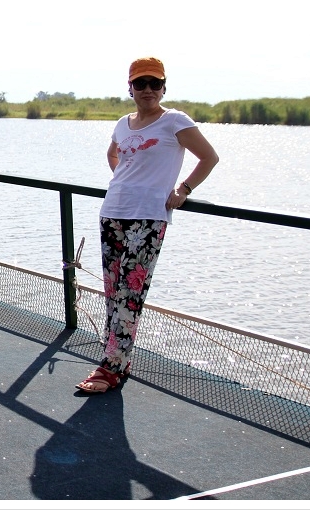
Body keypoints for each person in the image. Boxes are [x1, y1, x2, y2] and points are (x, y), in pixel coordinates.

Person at [76, 57, 219, 393]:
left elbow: (209, 157)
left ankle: (111, 368)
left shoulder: (175, 121)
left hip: (149, 216)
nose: (148, 90)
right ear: (130, 88)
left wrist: (184, 189)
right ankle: (117, 358)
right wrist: (126, 181)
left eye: (155, 83)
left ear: (164, 87)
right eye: (140, 83)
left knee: (131, 291)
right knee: (113, 290)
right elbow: (113, 155)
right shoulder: (123, 124)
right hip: (113, 211)